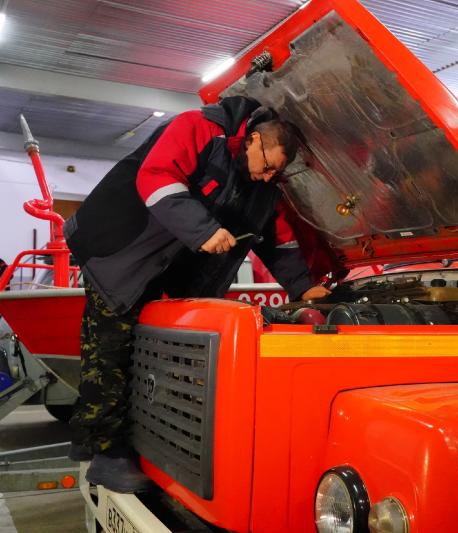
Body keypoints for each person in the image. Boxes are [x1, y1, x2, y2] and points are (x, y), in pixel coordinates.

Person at [63, 95, 329, 493]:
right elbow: (156, 177)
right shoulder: (198, 127)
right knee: (111, 351)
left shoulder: (260, 183)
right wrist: (203, 231)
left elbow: (276, 238)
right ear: (254, 140)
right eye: (268, 166)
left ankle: (137, 440)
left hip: (166, 269)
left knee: (160, 356)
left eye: (276, 172)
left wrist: (304, 288)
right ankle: (105, 454)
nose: (268, 177)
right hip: (119, 251)